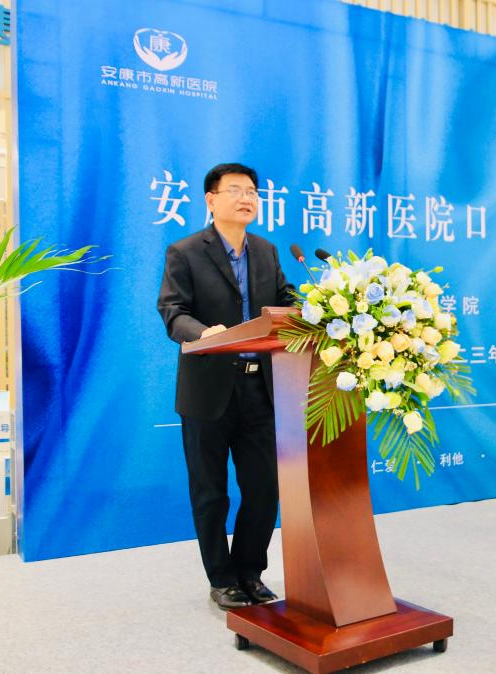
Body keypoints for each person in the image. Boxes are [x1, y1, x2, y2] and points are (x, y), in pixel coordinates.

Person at [157, 162, 295, 610]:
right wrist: (204, 333)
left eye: (252, 191)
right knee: (210, 492)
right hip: (208, 389)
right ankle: (222, 579)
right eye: (235, 190)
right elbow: (173, 311)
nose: (246, 198)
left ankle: (250, 573)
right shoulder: (185, 251)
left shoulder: (266, 251)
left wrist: (323, 306)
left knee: (264, 489)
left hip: (261, 390)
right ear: (211, 200)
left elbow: (285, 300)